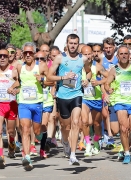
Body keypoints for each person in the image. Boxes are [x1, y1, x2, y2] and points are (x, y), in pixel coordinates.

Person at [47, 34, 91, 165]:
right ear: (67, 43)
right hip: (62, 96)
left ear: (78, 44)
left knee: (76, 122)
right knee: (65, 126)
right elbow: (49, 76)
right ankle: (65, 141)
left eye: (75, 43)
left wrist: (86, 79)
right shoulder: (60, 58)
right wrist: (63, 78)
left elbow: (89, 72)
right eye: (71, 43)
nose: (73, 45)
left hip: (76, 94)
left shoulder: (83, 59)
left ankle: (73, 155)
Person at [104, 45, 131, 164]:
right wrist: (108, 89)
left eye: (126, 54)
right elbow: (107, 83)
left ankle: (130, 142)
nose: (124, 56)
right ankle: (127, 153)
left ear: (129, 56)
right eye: (121, 54)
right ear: (117, 56)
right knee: (123, 128)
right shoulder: (114, 69)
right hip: (120, 101)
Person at [13, 42, 52, 170]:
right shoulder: (20, 67)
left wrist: (42, 80)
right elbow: (18, 82)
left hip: (37, 103)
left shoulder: (41, 66)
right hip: (24, 103)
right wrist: (13, 88)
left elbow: (51, 81)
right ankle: (27, 157)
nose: (28, 55)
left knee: (36, 131)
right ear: (23, 54)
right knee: (25, 128)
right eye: (26, 53)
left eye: (30, 53)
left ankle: (41, 137)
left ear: (34, 54)